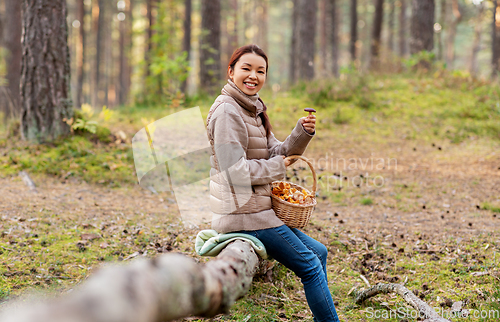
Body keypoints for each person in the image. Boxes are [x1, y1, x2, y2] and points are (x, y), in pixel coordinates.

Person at [205, 44, 340, 322]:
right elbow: (234, 172)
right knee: (311, 266)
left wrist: (301, 133)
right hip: (243, 214)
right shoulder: (227, 113)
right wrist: (278, 167)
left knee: (319, 252)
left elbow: (276, 152)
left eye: (260, 70)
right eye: (246, 68)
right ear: (231, 72)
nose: (253, 75)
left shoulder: (252, 110)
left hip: (259, 211)